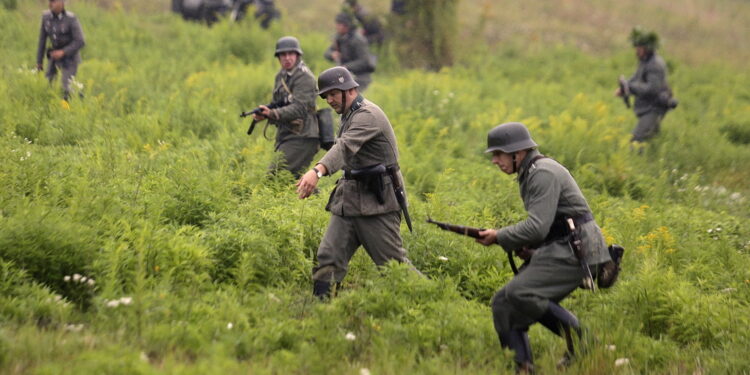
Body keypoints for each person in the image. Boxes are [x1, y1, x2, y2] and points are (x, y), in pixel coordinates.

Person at [475, 122, 611, 373]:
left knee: (520, 292)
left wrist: (499, 236)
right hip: (563, 245)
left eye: (498, 154)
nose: (494, 160)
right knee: (503, 304)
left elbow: (537, 226)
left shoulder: (541, 173)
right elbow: (547, 225)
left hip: (577, 250)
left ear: (517, 153)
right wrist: (530, 247)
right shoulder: (531, 172)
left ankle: (585, 342)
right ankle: (523, 368)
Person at [296, 66, 416, 299]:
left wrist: (317, 171)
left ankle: (433, 302)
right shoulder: (349, 113)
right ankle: (323, 314)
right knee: (328, 256)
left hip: (377, 201)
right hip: (349, 200)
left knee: (394, 268)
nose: (329, 99)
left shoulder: (367, 115)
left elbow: (344, 147)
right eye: (326, 95)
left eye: (333, 93)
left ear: (349, 90)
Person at [252, 36, 319, 179]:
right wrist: (264, 114)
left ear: (297, 55)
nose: (287, 58)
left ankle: (319, 199)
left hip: (303, 135)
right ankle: (319, 199)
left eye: (291, 54)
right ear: (278, 57)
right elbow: (278, 103)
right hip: (288, 133)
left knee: (276, 177)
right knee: (291, 179)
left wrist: (272, 113)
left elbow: (299, 109)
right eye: (283, 54)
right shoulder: (281, 76)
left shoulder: (305, 78)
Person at [615, 27, 676, 150]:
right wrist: (625, 86)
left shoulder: (655, 65)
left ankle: (637, 161)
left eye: (639, 48)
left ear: (647, 49)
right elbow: (637, 77)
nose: (637, 51)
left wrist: (630, 87)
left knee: (636, 139)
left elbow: (652, 89)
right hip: (648, 106)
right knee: (651, 139)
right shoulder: (645, 61)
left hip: (654, 107)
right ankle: (652, 155)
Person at [36, 0, 85, 101]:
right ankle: (49, 107)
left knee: (66, 87)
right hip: (54, 56)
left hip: (70, 57)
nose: (51, 4)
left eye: (54, 1)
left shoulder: (71, 19)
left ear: (62, 3)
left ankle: (76, 101)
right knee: (48, 84)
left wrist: (63, 52)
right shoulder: (46, 17)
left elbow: (80, 41)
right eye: (50, 1)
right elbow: (42, 41)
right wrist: (39, 62)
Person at [324, 13, 375, 92]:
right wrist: (332, 54)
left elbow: (364, 61)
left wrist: (346, 67)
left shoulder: (358, 40)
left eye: (339, 24)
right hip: (346, 77)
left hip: (361, 77)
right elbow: (326, 53)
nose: (336, 27)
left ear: (345, 26)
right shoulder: (339, 38)